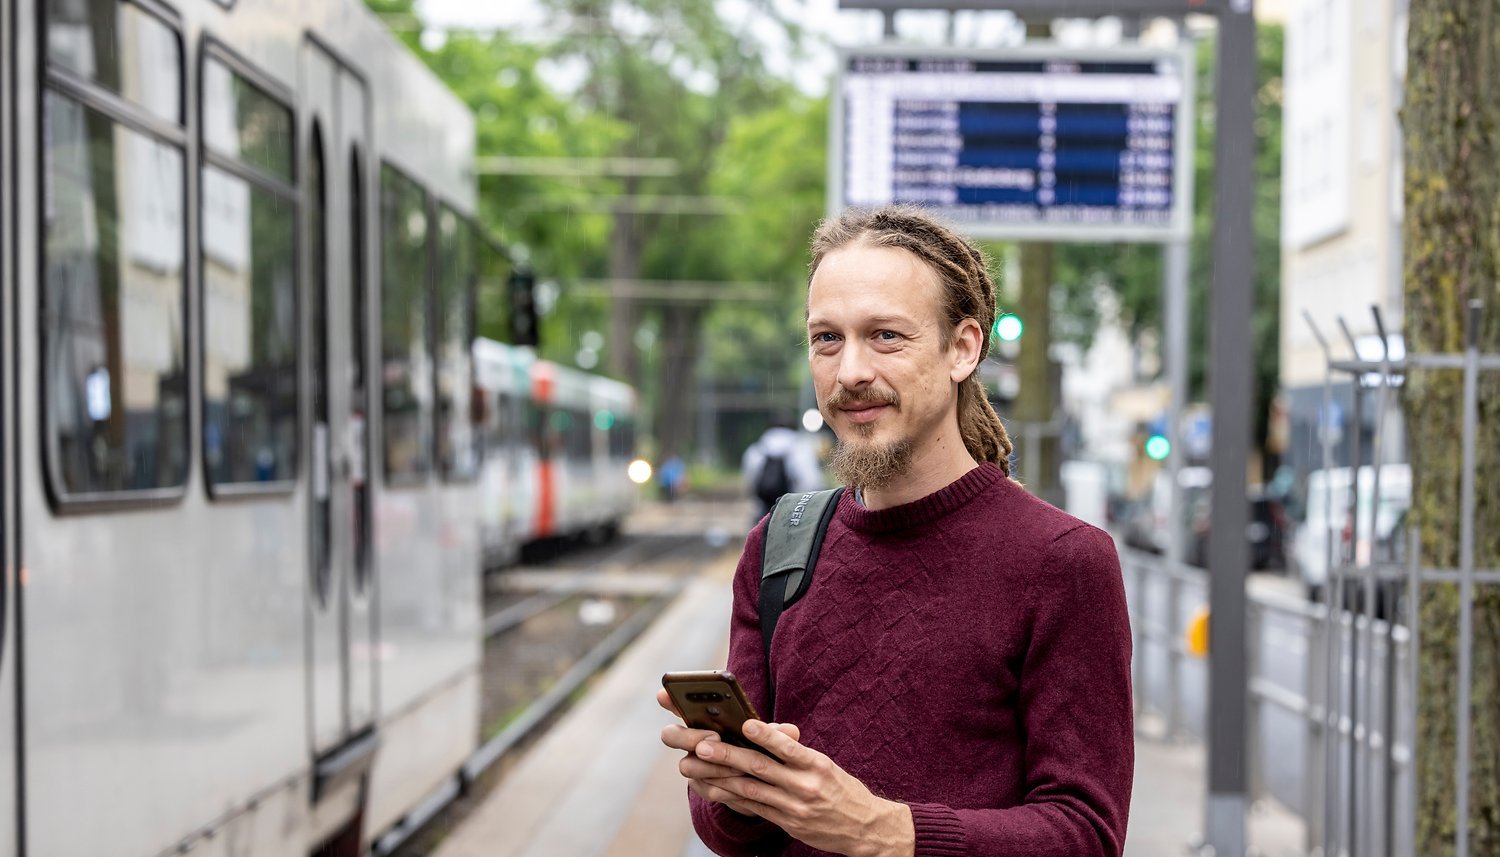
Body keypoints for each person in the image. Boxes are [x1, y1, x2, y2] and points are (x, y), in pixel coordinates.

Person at [657, 205, 1133, 856]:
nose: (849, 371)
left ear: (963, 347)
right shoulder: (779, 545)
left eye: (885, 335)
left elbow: (1086, 833)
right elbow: (728, 835)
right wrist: (732, 790)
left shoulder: (1064, 561)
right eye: (827, 338)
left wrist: (889, 832)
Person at [742, 418, 825, 520]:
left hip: (763, 509)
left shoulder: (756, 449)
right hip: (793, 510)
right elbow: (811, 482)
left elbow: (750, 481)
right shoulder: (800, 448)